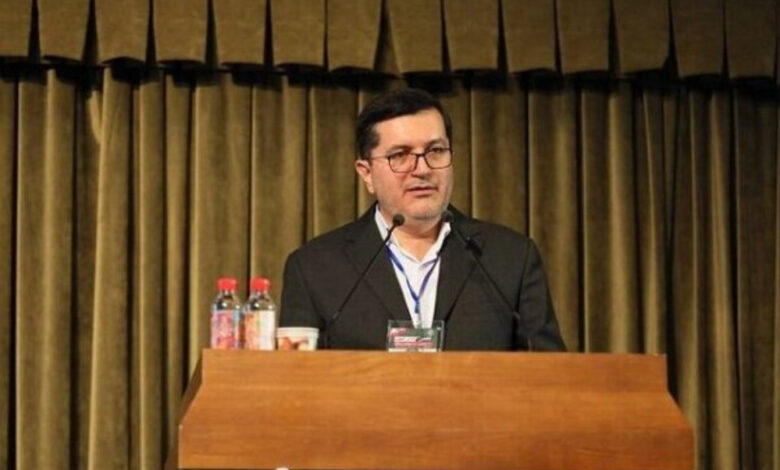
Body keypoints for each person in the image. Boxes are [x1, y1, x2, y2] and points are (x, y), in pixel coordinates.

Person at [280, 88, 565, 351]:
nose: (422, 169)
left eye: (435, 151)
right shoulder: (314, 268)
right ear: (366, 173)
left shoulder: (510, 258)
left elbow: (551, 373)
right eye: (400, 155)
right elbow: (295, 379)